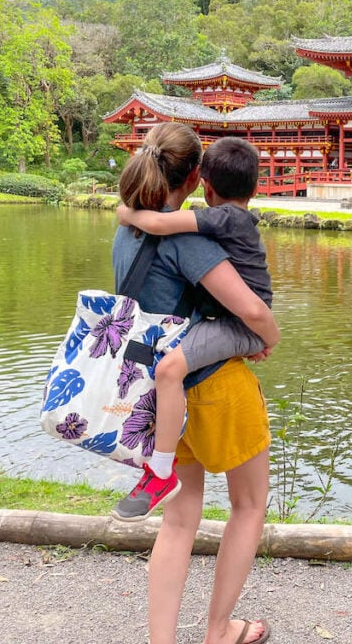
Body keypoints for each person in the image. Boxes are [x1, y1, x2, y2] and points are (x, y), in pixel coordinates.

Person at [113, 122, 277, 644]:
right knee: (248, 506)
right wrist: (266, 335)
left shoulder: (128, 229)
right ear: (196, 179)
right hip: (214, 386)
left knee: (180, 518)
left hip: (166, 394)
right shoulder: (187, 237)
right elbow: (250, 307)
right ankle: (219, 630)